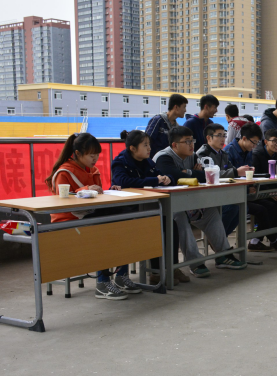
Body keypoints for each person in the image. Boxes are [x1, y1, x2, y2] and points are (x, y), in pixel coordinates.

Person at [45, 133, 137, 301]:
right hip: (68, 221)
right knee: (103, 231)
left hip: (89, 215)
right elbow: (62, 200)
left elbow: (96, 197)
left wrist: (107, 191)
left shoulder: (93, 170)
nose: (95, 159)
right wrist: (86, 189)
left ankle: (121, 275)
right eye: (91, 155)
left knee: (123, 223)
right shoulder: (64, 172)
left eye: (97, 155)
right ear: (78, 153)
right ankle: (102, 282)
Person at [154, 127, 247, 276]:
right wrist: (193, 174)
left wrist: (190, 173)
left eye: (192, 140)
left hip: (189, 203)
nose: (192, 145)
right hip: (165, 208)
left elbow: (206, 175)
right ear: (175, 145)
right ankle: (195, 261)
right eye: (187, 141)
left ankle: (223, 255)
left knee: (211, 213)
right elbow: (175, 176)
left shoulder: (192, 156)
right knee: (179, 217)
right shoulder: (163, 157)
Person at [112, 130, 188, 286]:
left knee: (170, 225)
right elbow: (123, 181)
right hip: (127, 210)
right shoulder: (120, 162)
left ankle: (171, 267)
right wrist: (155, 180)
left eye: (149, 145)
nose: (149, 149)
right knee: (153, 227)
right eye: (145, 145)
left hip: (148, 208)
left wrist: (167, 179)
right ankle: (156, 272)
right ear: (133, 148)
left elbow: (161, 175)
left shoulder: (148, 162)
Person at [225, 124, 277, 252]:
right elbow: (227, 178)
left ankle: (259, 240)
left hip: (248, 192)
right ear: (244, 138)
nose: (254, 146)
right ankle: (272, 240)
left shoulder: (249, 151)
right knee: (264, 208)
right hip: (235, 196)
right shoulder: (229, 151)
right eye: (253, 142)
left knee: (274, 205)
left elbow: (251, 175)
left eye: (256, 143)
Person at [197, 123, 255, 236]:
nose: (223, 139)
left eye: (224, 135)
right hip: (208, 195)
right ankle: (217, 238)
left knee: (243, 207)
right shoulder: (203, 154)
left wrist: (243, 170)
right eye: (219, 135)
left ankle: (221, 238)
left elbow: (231, 170)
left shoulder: (223, 153)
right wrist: (236, 172)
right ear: (209, 138)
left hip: (222, 193)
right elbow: (209, 175)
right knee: (233, 207)